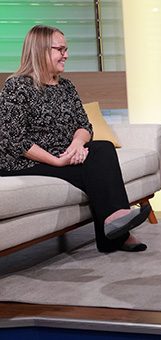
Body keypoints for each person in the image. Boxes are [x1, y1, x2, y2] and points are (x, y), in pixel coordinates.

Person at [0, 25, 151, 253]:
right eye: (60, 49)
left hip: (64, 152)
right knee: (94, 166)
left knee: (102, 148)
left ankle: (115, 221)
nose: (66, 55)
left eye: (66, 49)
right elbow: (14, 140)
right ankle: (117, 231)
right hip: (25, 162)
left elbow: (84, 125)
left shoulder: (66, 86)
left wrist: (77, 144)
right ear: (40, 50)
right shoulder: (16, 86)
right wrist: (58, 161)